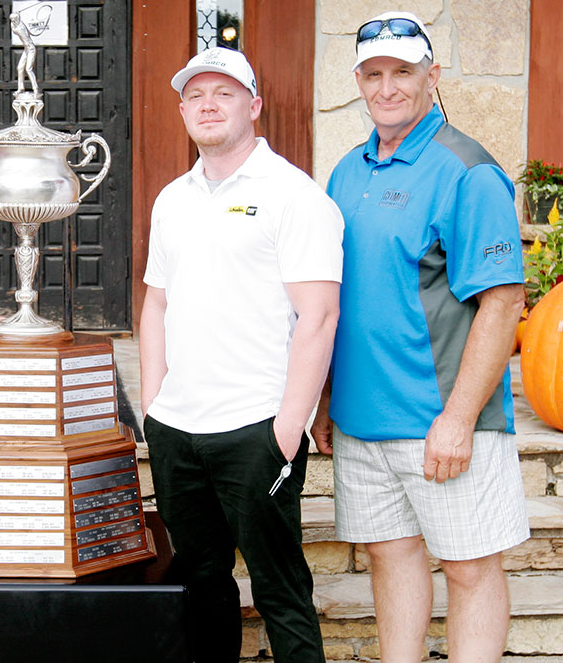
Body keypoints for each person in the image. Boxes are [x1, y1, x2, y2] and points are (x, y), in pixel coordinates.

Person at [312, 11, 529, 662]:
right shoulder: (347, 172)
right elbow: (335, 296)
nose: (387, 87)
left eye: (402, 72)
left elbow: (504, 300)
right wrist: (325, 399)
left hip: (442, 421)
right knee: (391, 558)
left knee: (468, 569)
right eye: (373, 73)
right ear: (358, 81)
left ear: (432, 77)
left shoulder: (468, 171)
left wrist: (459, 419)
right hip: (362, 421)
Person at [139, 47, 344, 663]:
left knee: (281, 589)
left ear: (253, 106)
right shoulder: (172, 199)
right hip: (179, 430)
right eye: (196, 95)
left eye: (224, 93)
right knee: (201, 581)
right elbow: (154, 306)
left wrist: (288, 428)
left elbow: (321, 314)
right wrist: (154, 406)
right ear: (181, 111)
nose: (208, 104)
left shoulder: (293, 195)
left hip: (256, 429)